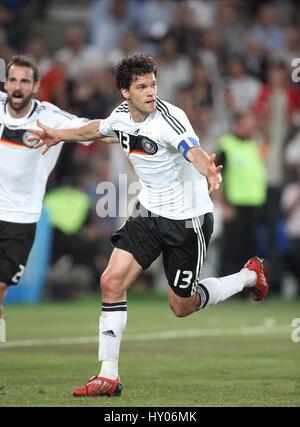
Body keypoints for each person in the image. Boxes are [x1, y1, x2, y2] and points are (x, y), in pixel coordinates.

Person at [31, 53, 268, 397]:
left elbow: (192, 148)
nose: (151, 91)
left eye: (153, 84)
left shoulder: (170, 119)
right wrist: (60, 135)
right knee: (111, 281)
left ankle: (248, 276)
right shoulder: (122, 116)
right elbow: (98, 128)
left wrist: (208, 169)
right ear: (125, 92)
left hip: (188, 220)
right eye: (142, 86)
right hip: (148, 213)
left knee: (180, 306)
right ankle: (107, 375)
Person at [0, 54, 101, 343]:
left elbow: (97, 130)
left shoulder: (50, 117)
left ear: (35, 86)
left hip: (21, 218)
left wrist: (129, 129)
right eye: (13, 80)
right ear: (6, 83)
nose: (17, 87)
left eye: (24, 82)